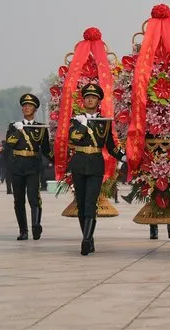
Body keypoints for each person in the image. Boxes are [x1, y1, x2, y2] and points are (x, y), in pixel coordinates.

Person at [68, 83, 125, 255]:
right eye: (87, 97)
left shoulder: (104, 123)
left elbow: (111, 146)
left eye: (93, 97)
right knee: (81, 203)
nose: (90, 99)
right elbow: (74, 139)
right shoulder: (76, 120)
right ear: (83, 100)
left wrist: (124, 157)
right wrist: (83, 125)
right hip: (79, 163)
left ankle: (85, 240)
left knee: (91, 203)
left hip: (95, 164)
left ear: (98, 101)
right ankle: (89, 238)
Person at [5, 94, 53, 240]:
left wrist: (59, 160)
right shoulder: (13, 126)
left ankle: (36, 225)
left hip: (33, 166)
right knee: (19, 200)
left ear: (35, 109)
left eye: (30, 106)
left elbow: (45, 149)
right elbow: (10, 143)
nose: (27, 108)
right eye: (25, 105)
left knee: (34, 198)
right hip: (17, 166)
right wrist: (18, 130)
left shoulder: (41, 128)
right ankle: (23, 230)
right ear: (22, 108)